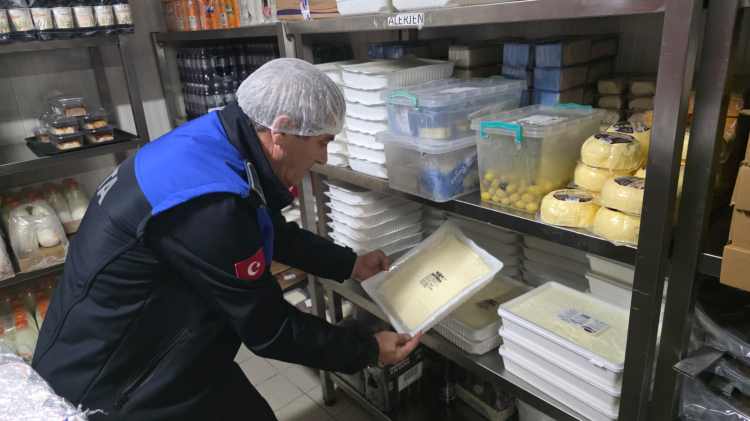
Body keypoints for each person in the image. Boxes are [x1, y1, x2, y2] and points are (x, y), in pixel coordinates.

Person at [32, 58, 422, 420]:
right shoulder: (210, 206)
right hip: (119, 384)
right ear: (281, 130)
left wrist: (350, 263)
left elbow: (265, 228)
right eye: (322, 142)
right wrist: (368, 350)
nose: (323, 158)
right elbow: (268, 327)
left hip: (158, 342)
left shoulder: (217, 138)